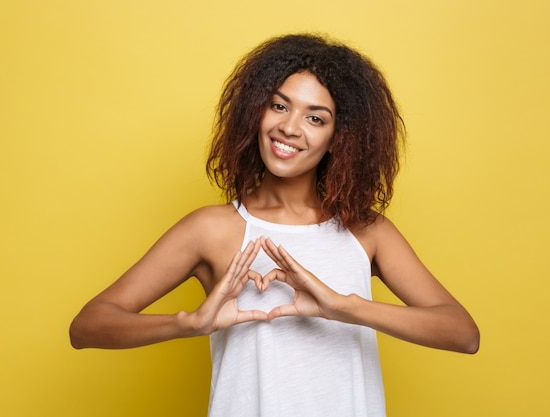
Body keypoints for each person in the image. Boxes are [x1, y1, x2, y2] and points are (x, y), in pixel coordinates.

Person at [70, 33, 480, 416]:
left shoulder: (367, 231)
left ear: (340, 137)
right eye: (279, 106)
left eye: (315, 118)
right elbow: (87, 326)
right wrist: (189, 323)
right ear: (256, 110)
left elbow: (463, 334)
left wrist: (344, 306)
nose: (289, 127)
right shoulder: (211, 230)